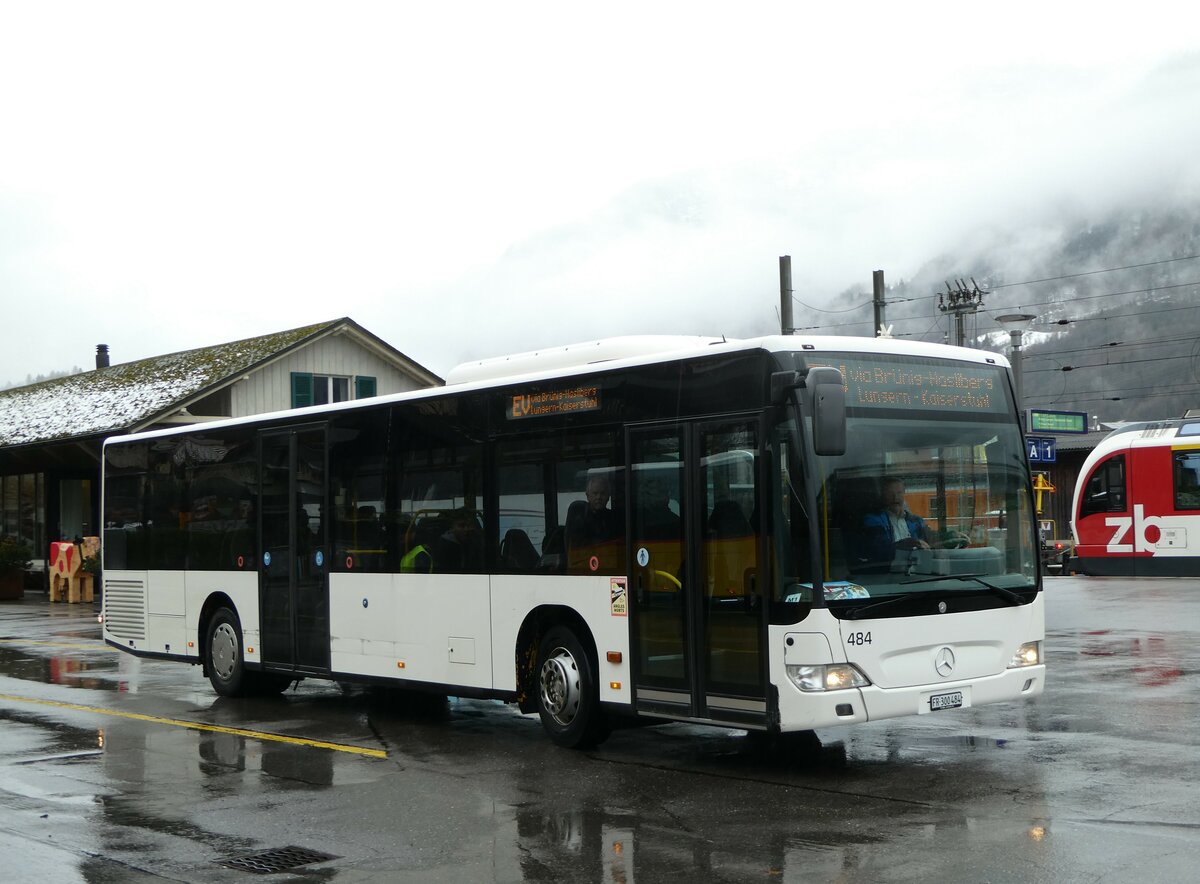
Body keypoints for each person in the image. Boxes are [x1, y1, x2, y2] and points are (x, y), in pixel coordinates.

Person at [860, 477, 935, 566]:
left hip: (917, 570)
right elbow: (876, 551)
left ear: (904, 494)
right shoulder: (873, 520)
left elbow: (931, 541)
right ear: (883, 495)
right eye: (890, 493)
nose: (895, 497)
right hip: (886, 573)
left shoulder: (916, 521)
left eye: (899, 493)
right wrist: (903, 545)